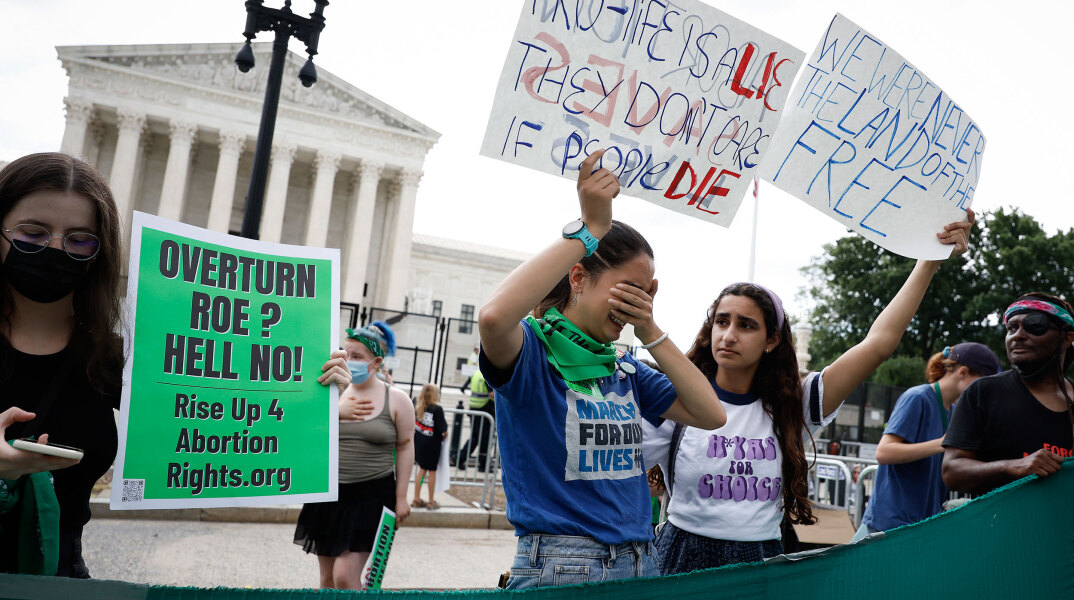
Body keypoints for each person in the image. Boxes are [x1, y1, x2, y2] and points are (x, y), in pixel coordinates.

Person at [643, 212, 974, 574]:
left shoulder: (793, 404)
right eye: (721, 321)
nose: (729, 334)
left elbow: (878, 344)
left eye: (746, 325)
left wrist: (928, 262)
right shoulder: (673, 398)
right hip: (680, 559)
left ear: (771, 340)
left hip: (762, 563)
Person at [478, 150, 727, 589]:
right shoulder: (532, 354)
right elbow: (494, 317)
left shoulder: (625, 369)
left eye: (645, 293)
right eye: (628, 290)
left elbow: (711, 413)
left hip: (640, 562)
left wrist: (650, 327)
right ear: (578, 278)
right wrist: (589, 230)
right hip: (562, 566)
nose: (636, 303)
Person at [0, 152, 124, 577]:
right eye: (32, 233)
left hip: (59, 578)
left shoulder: (113, 356)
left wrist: (311, 387)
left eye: (79, 240)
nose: (54, 250)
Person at [293, 321, 415, 590]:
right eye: (346, 355)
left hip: (371, 497)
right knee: (326, 580)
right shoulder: (328, 392)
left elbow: (405, 446)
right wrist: (335, 413)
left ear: (376, 362)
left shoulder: (397, 400)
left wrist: (402, 497)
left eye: (358, 357)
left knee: (345, 576)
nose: (350, 362)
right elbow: (301, 427)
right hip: (329, 495)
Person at [852, 342, 1000, 542]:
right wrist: (942, 443)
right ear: (963, 372)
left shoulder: (953, 411)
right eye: (984, 384)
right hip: (889, 526)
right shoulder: (917, 398)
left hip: (919, 526)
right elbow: (884, 452)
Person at [942, 293, 1074, 495]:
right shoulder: (983, 393)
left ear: (1067, 338)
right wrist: (1014, 466)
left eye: (1034, 326)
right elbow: (951, 471)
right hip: (1001, 525)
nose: (1018, 335)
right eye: (1012, 328)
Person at [412, 383, 447, 509]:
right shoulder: (437, 409)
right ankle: (431, 501)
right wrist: (445, 436)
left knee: (421, 470)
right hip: (432, 444)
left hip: (419, 442)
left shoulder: (417, 405)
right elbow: (443, 429)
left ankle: (416, 498)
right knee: (432, 471)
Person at [455, 366, 495, 470]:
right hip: (484, 409)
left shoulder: (477, 372)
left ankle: (460, 458)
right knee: (484, 438)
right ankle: (482, 465)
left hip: (475, 408)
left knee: (476, 436)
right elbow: (492, 393)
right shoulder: (487, 374)